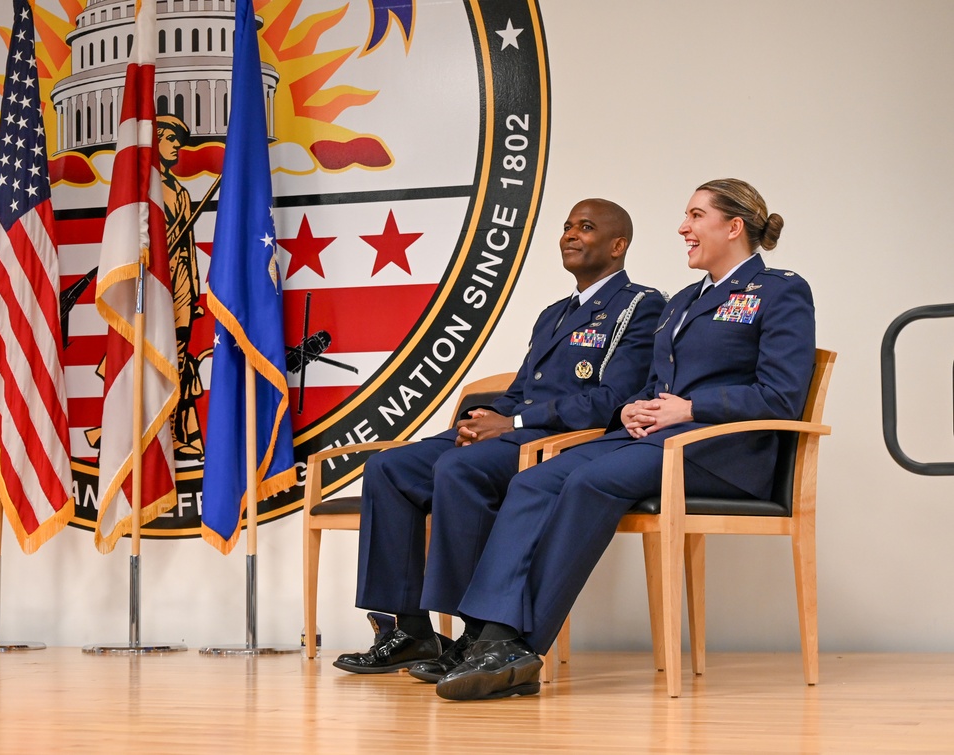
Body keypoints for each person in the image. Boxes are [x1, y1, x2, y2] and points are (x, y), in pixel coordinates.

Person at [433, 178, 817, 701]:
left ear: (734, 227)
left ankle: (522, 648)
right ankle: (491, 634)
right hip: (658, 442)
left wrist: (690, 407)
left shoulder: (780, 291)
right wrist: (636, 405)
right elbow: (658, 384)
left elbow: (782, 395)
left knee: (591, 480)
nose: (683, 227)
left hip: (723, 452)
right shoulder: (682, 301)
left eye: (697, 216)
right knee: (536, 480)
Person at [333, 199, 667, 675]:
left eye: (586, 227)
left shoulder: (641, 304)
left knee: (460, 469)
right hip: (516, 432)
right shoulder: (554, 313)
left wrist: (511, 425)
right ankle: (409, 630)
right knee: (388, 468)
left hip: (561, 442)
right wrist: (484, 415)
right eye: (567, 226)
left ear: (618, 246)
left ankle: (474, 633)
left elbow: (614, 398)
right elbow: (521, 392)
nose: (570, 234)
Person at [157, 114, 204, 460]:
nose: (177, 146)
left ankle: (176, 433)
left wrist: (196, 292)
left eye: (178, 141)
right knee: (156, 358)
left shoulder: (182, 192)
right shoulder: (142, 188)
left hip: (183, 283)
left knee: (181, 358)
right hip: (156, 284)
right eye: (171, 139)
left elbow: (188, 245)